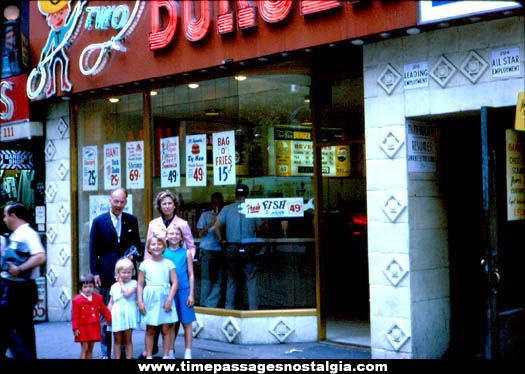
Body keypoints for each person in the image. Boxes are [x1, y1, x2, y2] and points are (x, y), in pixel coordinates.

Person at [89, 188, 141, 359]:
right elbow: (93, 249)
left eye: (122, 202)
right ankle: (106, 352)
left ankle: (125, 352)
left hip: (126, 272)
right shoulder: (98, 221)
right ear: (110, 201)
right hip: (106, 272)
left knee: (125, 311)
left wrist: (135, 255)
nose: (119, 205)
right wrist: (95, 272)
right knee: (107, 313)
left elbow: (138, 245)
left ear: (126, 202)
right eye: (116, 201)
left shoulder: (131, 220)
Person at [142, 190, 195, 357]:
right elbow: (148, 249)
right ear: (159, 206)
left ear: (174, 205)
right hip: (159, 275)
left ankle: (170, 350)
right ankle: (155, 349)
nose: (167, 206)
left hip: (178, 276)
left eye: (170, 203)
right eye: (163, 203)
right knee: (158, 316)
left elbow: (191, 245)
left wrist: (187, 261)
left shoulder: (183, 224)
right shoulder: (153, 224)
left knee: (175, 317)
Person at [0, 202, 46, 359]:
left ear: (13, 216)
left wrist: (19, 269)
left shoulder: (28, 234)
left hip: (21, 290)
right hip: (13, 287)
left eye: (6, 215)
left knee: (20, 331)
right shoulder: (16, 234)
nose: (4, 219)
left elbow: (40, 256)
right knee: (13, 329)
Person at [214, 184, 266, 310]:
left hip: (232, 248)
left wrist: (222, 240)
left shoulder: (227, 209)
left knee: (231, 282)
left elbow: (216, 227)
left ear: (235, 194)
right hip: (249, 248)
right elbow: (260, 228)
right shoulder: (253, 208)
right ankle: (253, 312)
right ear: (247, 195)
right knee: (251, 281)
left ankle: (229, 310)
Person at [137, 235, 179, 359]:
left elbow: (175, 282)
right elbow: (140, 284)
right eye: (153, 244)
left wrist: (169, 300)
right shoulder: (145, 264)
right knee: (150, 329)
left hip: (165, 297)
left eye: (159, 244)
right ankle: (149, 356)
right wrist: (140, 301)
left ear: (164, 247)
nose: (156, 247)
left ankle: (166, 356)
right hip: (150, 298)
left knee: (166, 328)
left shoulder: (168, 263)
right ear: (149, 248)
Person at [164, 226, 196, 359]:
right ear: (166, 237)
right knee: (171, 323)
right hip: (170, 291)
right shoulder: (163, 253)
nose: (174, 236)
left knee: (187, 322)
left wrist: (191, 294)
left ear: (181, 237)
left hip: (184, 290)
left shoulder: (186, 252)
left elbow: (191, 273)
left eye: (177, 234)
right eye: (171, 233)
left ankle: (188, 351)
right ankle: (170, 350)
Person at [72, 274, 112, 359]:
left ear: (94, 287)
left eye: (90, 286)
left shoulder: (97, 298)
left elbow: (104, 310)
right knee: (84, 348)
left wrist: (109, 318)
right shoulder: (77, 300)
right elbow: (75, 316)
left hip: (93, 327)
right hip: (83, 328)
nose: (88, 289)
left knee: (90, 349)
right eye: (85, 287)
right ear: (81, 288)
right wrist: (75, 328)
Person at [107, 258, 139, 359]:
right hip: (117, 314)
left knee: (128, 339)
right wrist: (107, 316)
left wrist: (121, 283)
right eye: (123, 272)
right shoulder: (114, 286)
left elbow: (127, 294)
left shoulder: (134, 283)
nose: (126, 275)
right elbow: (111, 303)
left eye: (129, 272)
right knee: (117, 339)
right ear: (118, 273)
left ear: (132, 273)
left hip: (128, 313)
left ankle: (129, 357)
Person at [196, 192, 224, 308]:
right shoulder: (205, 215)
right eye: (214, 202)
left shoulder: (225, 214)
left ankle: (209, 304)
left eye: (218, 203)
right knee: (206, 280)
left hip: (220, 250)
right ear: (211, 203)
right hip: (207, 249)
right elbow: (200, 234)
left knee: (221, 280)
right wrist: (211, 223)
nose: (216, 205)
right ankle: (203, 305)